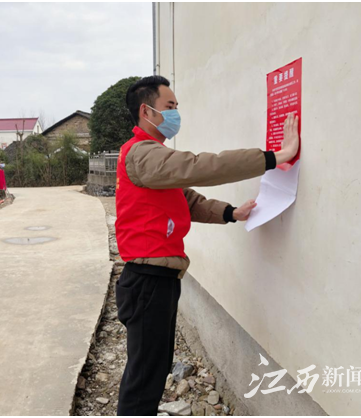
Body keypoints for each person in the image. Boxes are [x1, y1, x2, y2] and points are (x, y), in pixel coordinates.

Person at [114, 75, 299, 415]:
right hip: (147, 281)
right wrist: (275, 157)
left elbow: (186, 200)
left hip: (157, 280)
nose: (175, 113)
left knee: (153, 369)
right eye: (169, 106)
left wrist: (230, 212)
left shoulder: (155, 159)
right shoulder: (142, 154)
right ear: (146, 111)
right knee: (144, 378)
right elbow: (200, 166)